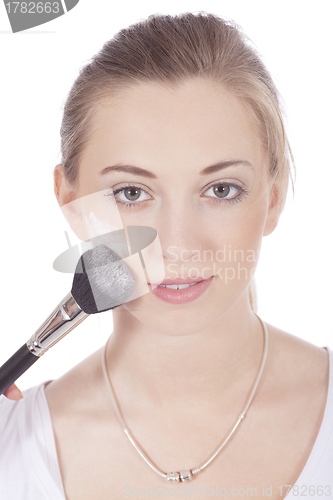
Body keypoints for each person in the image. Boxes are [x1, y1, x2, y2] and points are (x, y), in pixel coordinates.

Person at [1, 11, 332, 500]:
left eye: (221, 189)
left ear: (273, 199)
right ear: (72, 203)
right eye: (131, 193)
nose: (178, 246)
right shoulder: (11, 448)